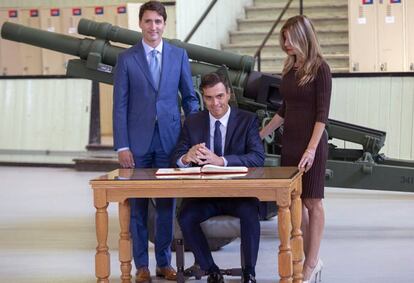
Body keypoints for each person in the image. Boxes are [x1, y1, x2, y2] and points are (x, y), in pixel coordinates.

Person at [112, 1, 199, 282]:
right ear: (140, 24)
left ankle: (163, 263)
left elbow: (189, 97)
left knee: (166, 207)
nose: (153, 27)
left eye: (158, 22)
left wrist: (194, 135)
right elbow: (120, 106)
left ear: (164, 24)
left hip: (170, 143)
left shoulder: (178, 55)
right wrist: (122, 146)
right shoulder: (126, 59)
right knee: (137, 208)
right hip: (136, 146)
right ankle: (142, 267)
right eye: (148, 21)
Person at [173, 72, 265, 283]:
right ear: (203, 98)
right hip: (204, 196)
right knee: (186, 217)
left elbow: (257, 157)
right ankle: (211, 269)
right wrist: (186, 158)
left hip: (238, 195)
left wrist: (220, 160)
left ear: (229, 94)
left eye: (220, 96)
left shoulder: (247, 121)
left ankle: (249, 272)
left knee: (251, 215)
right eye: (209, 98)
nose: (215, 103)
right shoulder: (193, 122)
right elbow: (176, 156)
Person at [260, 15, 331, 283]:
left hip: (311, 144)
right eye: (284, 37)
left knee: (313, 201)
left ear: (303, 36)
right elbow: (285, 109)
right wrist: (263, 132)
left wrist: (311, 150)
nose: (285, 43)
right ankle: (304, 256)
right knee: (295, 203)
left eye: (290, 37)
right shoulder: (289, 69)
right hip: (289, 143)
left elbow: (322, 116)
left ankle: (313, 262)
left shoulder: (321, 69)